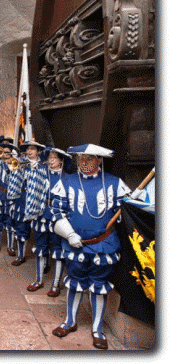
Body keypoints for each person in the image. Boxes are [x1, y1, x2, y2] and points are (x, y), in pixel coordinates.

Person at [50, 144, 131, 350]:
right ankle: (70, 321)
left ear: (99, 161)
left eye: (90, 159)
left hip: (104, 245)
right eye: (81, 159)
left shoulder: (114, 184)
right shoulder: (66, 181)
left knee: (99, 284)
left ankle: (97, 329)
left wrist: (131, 204)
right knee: (75, 282)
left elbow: (127, 213)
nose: (84, 163)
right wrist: (69, 234)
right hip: (75, 244)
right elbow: (56, 212)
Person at [26, 147, 72, 297]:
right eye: (50, 158)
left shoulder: (68, 179)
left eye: (54, 158)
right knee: (40, 247)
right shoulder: (42, 172)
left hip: (57, 216)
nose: (51, 161)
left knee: (58, 250)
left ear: (61, 161)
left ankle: (55, 284)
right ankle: (38, 280)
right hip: (41, 213)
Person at [9, 141, 47, 267]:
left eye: (32, 149)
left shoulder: (43, 166)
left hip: (37, 199)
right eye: (27, 150)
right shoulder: (21, 164)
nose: (29, 152)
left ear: (38, 151)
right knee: (21, 227)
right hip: (23, 198)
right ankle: (21, 255)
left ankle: (44, 260)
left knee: (40, 232)